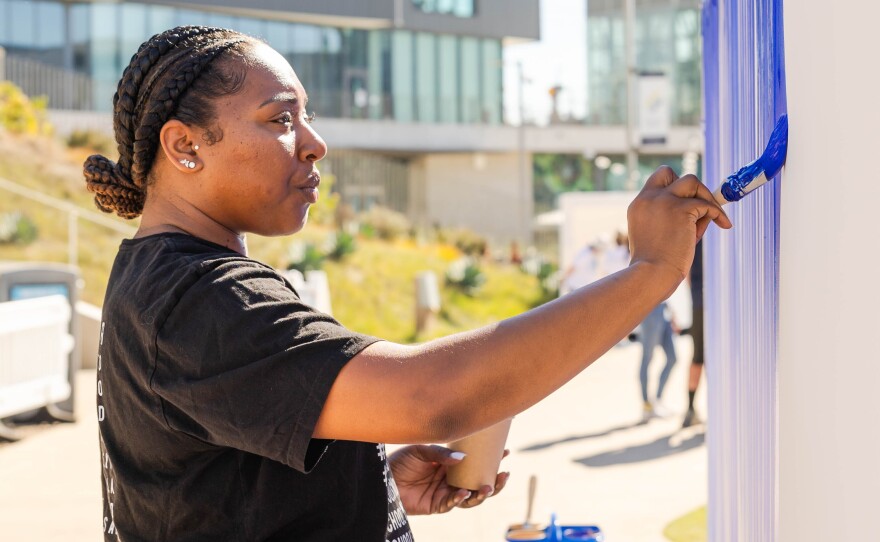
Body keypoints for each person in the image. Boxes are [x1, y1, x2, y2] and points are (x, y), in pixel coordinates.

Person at [82, 26, 731, 541]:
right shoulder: (200, 298)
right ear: (185, 146)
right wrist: (650, 272)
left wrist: (371, 487)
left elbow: (210, 491)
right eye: (281, 120)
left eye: (307, 116)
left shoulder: (156, 280)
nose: (315, 144)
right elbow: (434, 395)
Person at [637, 301, 678, 421]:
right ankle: (647, 406)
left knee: (672, 358)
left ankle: (657, 401)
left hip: (662, 311)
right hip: (649, 313)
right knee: (647, 360)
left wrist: (670, 310)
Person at [682, 240, 705, 428]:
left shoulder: (694, 235)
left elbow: (687, 275)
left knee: (697, 357)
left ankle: (690, 409)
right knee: (703, 358)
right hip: (709, 301)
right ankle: (691, 409)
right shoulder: (718, 233)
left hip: (698, 302)